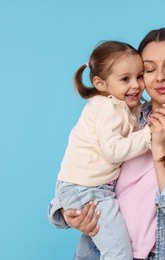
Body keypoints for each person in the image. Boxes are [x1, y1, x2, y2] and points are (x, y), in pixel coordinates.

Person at [48, 28, 165, 260]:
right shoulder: (122, 117)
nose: (159, 77)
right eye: (148, 69)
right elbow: (78, 171)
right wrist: (69, 213)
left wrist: (159, 148)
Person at [54, 40, 152, 260]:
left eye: (139, 76)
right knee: (118, 253)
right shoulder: (107, 107)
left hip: (85, 187)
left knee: (98, 250)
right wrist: (149, 136)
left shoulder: (116, 105)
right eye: (125, 79)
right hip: (87, 190)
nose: (136, 85)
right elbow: (113, 151)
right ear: (100, 83)